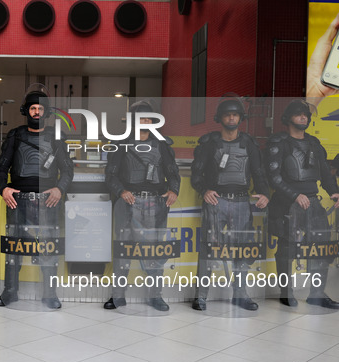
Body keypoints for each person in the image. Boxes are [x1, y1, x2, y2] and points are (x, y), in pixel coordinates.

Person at [0, 88, 74, 309]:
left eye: (40, 109)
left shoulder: (56, 138)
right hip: (18, 202)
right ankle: (10, 292)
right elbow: (1, 169)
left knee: (48, 249)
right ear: (26, 111)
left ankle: (50, 294)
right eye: (33, 108)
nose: (36, 112)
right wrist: (4, 189)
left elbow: (68, 170)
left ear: (45, 112)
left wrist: (60, 188)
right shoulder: (15, 135)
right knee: (14, 249)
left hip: (48, 202)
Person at [190, 95, 269, 311]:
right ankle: (201, 295)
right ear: (220, 117)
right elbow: (196, 175)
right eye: (228, 114)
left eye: (235, 114)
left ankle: (241, 294)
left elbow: (259, 173)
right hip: (216, 203)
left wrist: (264, 193)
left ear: (240, 117)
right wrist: (204, 190)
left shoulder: (249, 144)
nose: (232, 118)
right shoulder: (209, 143)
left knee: (242, 250)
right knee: (209, 248)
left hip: (242, 202)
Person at [103, 100, 180, 311]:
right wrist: (121, 191)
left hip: (156, 204)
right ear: (133, 121)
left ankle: (155, 296)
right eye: (140, 118)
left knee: (155, 252)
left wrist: (174, 190)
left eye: (148, 118)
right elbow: (110, 175)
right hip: (129, 203)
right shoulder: (122, 143)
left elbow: (173, 173)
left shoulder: (162, 145)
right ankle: (118, 296)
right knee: (123, 252)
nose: (145, 122)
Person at [266, 99, 339, 308]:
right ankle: (285, 292)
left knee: (320, 248)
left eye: (305, 114)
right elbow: (274, 177)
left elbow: (325, 174)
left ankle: (317, 293)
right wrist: (294, 195)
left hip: (313, 203)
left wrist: (335, 192)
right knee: (287, 249)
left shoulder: (314, 143)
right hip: (288, 203)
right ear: (288, 118)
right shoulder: (278, 143)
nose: (303, 117)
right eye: (299, 114)